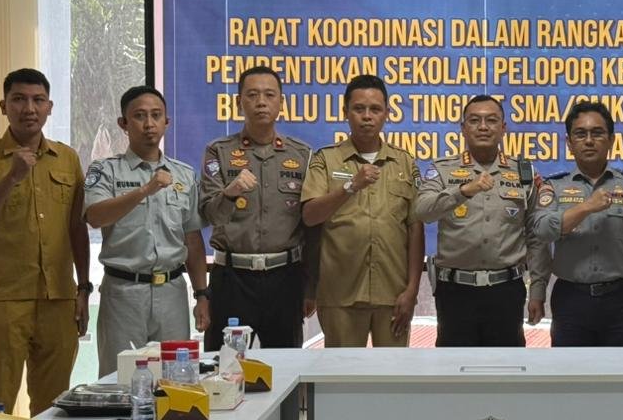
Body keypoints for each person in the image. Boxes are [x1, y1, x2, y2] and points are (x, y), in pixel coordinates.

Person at [0, 68, 90, 414]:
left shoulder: (67, 159)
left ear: (50, 107)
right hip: (5, 299)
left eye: (38, 100)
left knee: (54, 407)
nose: (29, 108)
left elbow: (77, 228)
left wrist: (83, 288)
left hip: (59, 298)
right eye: (19, 99)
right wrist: (12, 178)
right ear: (4, 106)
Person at [84, 86, 209, 377]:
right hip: (123, 292)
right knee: (120, 379)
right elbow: (95, 216)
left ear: (167, 122)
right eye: (139, 116)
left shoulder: (183, 174)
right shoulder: (105, 171)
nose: (149, 124)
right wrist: (144, 190)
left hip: (172, 291)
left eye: (156, 115)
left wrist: (202, 294)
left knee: (176, 379)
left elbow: (192, 238)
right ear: (123, 123)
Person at [414, 94, 552, 346]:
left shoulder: (523, 173)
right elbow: (422, 211)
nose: (483, 127)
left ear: (503, 128)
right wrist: (463, 191)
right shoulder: (443, 169)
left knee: (506, 365)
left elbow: (536, 236)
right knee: (453, 365)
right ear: (463, 128)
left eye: (491, 120)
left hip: (506, 291)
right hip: (455, 292)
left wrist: (538, 290)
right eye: (475, 120)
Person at [302, 75, 423, 347]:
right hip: (340, 294)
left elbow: (415, 228)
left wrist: (412, 290)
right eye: (359, 109)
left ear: (387, 114)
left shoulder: (404, 162)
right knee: (342, 370)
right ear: (345, 112)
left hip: (393, 294)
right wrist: (350, 186)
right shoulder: (326, 159)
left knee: (393, 371)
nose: (367, 116)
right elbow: (310, 216)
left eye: (375, 109)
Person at [198, 66, 311, 350]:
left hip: (285, 278)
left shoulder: (301, 154)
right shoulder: (218, 151)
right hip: (232, 279)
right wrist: (230, 193)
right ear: (239, 103)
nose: (261, 102)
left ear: (281, 103)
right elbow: (210, 215)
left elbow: (311, 225)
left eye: (269, 95)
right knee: (226, 366)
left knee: (287, 366)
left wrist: (312, 285)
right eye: (252, 95)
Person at [531, 100, 623, 346]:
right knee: (569, 368)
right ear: (569, 143)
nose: (589, 141)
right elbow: (542, 231)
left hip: (620, 299)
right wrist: (586, 207)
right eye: (580, 134)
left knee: (620, 368)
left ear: (611, 140)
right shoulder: (554, 186)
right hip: (570, 298)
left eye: (597, 133)